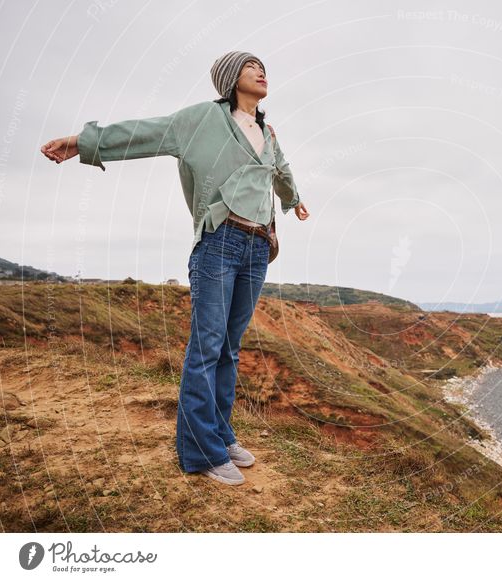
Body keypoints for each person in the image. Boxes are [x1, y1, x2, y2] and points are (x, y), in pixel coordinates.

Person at [40, 51, 310, 486]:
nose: (260, 71)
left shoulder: (266, 131)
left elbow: (280, 170)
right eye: (249, 66)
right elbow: (147, 132)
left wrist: (293, 199)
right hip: (219, 241)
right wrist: (82, 142)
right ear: (229, 79)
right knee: (206, 347)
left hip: (259, 246)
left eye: (263, 67)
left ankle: (220, 436)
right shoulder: (201, 119)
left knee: (229, 348)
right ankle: (200, 451)